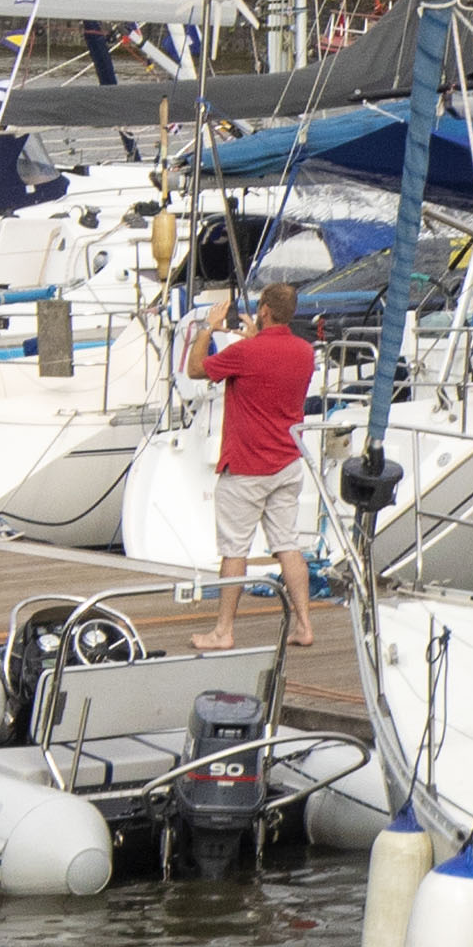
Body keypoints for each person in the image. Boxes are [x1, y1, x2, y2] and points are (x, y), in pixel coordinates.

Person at [186, 277, 332, 660]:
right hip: (286, 461)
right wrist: (252, 340)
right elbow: (269, 368)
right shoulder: (304, 352)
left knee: (235, 549)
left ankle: (223, 631)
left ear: (264, 311)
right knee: (288, 545)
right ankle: (304, 624)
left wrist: (209, 326)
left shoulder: (247, 354)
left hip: (248, 465)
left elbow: (196, 369)